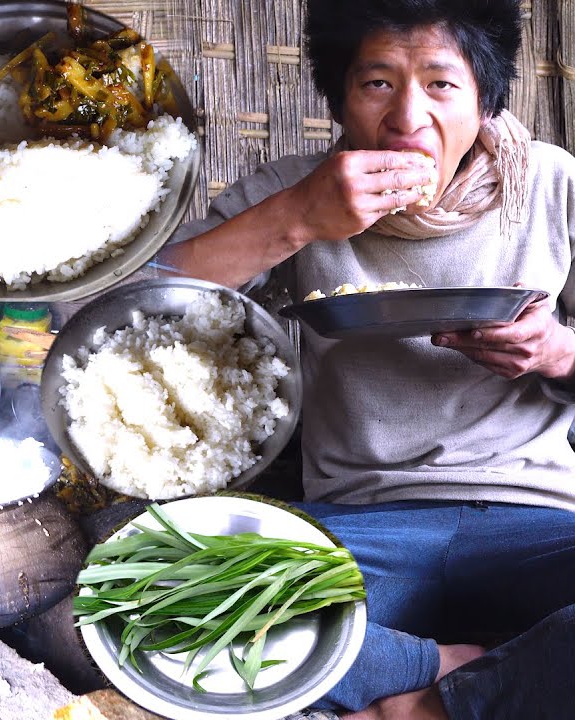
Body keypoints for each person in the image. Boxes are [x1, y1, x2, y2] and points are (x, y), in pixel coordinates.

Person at [155, 0, 575, 718]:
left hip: (539, 523)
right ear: (340, 100)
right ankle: (440, 669)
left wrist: (560, 353)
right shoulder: (298, 191)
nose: (408, 118)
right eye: (377, 83)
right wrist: (297, 218)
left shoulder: (552, 183)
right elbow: (111, 308)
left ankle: (415, 707)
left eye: (441, 84)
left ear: (486, 100)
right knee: (155, 592)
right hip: (357, 528)